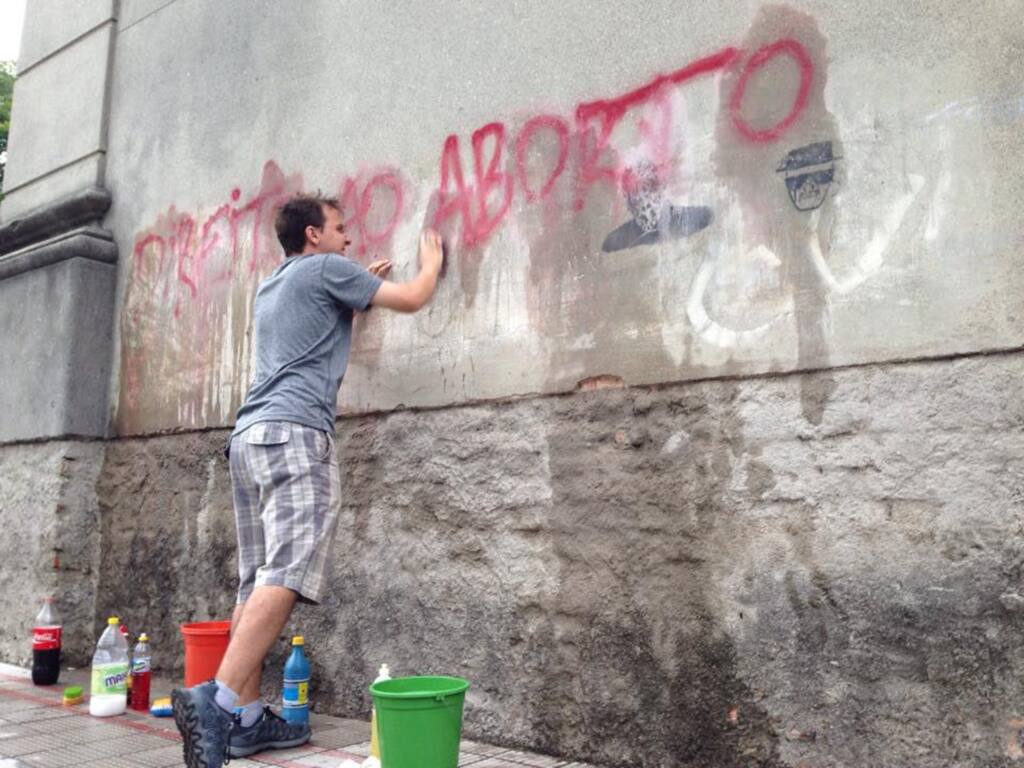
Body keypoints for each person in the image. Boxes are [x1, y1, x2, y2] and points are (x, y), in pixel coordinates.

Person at [172, 192, 444, 768]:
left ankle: (246, 722)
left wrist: (351, 295)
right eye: (341, 229)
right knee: (288, 573)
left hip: (248, 441)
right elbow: (415, 297)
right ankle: (217, 703)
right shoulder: (328, 268)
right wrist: (433, 262)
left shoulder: (277, 285)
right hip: (296, 437)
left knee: (256, 581)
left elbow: (317, 330)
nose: (350, 240)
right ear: (314, 236)